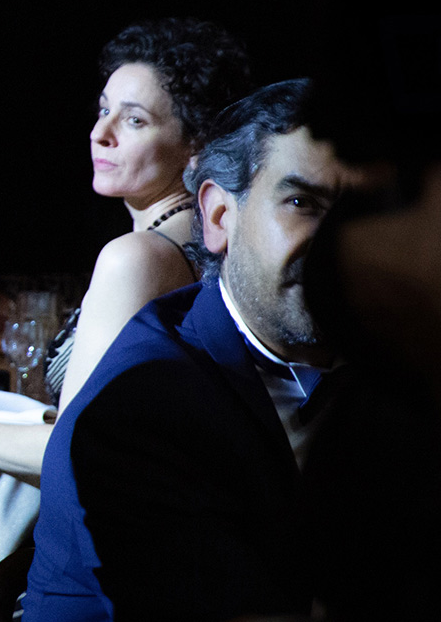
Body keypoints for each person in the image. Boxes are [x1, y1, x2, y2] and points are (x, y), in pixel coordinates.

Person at [23, 79, 353, 621]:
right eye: (302, 203)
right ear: (219, 217)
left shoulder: (392, 369)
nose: (341, 243)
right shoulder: (142, 406)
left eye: (363, 213)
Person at [0, 18, 251, 482]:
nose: (101, 133)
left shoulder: (139, 257)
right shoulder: (203, 240)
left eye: (134, 120)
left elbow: (75, 445)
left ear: (197, 145)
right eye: (104, 110)